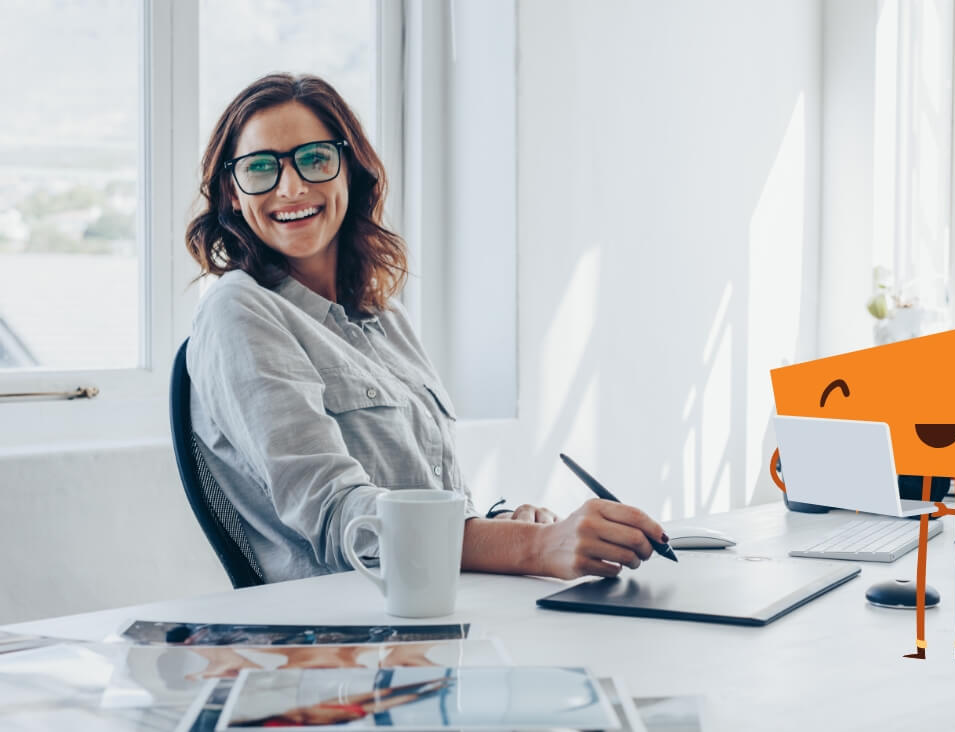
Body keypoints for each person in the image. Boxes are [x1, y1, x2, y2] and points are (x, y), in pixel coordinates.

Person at [185, 73, 667, 584]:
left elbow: (434, 494)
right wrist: (535, 547)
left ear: (350, 170)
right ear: (232, 194)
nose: (291, 186)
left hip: (438, 605)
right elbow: (340, 517)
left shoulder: (382, 313)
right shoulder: (237, 310)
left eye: (315, 158)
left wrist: (502, 528)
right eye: (261, 168)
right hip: (344, 633)